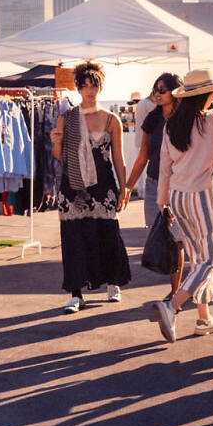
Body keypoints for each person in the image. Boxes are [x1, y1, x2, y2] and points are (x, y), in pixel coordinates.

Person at [151, 69, 213, 343]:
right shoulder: (211, 122)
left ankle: (204, 317)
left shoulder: (172, 124)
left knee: (198, 259)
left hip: (177, 197)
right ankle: (173, 306)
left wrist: (162, 203)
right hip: (203, 195)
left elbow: (164, 168)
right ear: (206, 96)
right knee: (210, 260)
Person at [51, 61, 131, 314]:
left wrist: (124, 187)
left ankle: (113, 282)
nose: (89, 91)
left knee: (108, 232)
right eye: (84, 86)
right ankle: (76, 293)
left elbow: (118, 157)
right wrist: (55, 142)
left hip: (103, 185)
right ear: (77, 88)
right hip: (73, 187)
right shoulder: (67, 118)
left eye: (93, 86)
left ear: (100, 87)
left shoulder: (111, 119)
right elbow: (60, 157)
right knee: (74, 237)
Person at [124, 73, 185, 302]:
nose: (157, 94)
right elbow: (142, 157)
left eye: (163, 90)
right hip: (153, 183)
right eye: (156, 89)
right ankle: (178, 287)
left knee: (176, 237)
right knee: (159, 234)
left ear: (174, 92)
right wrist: (129, 187)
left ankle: (176, 291)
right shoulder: (152, 119)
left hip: (178, 185)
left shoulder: (185, 119)